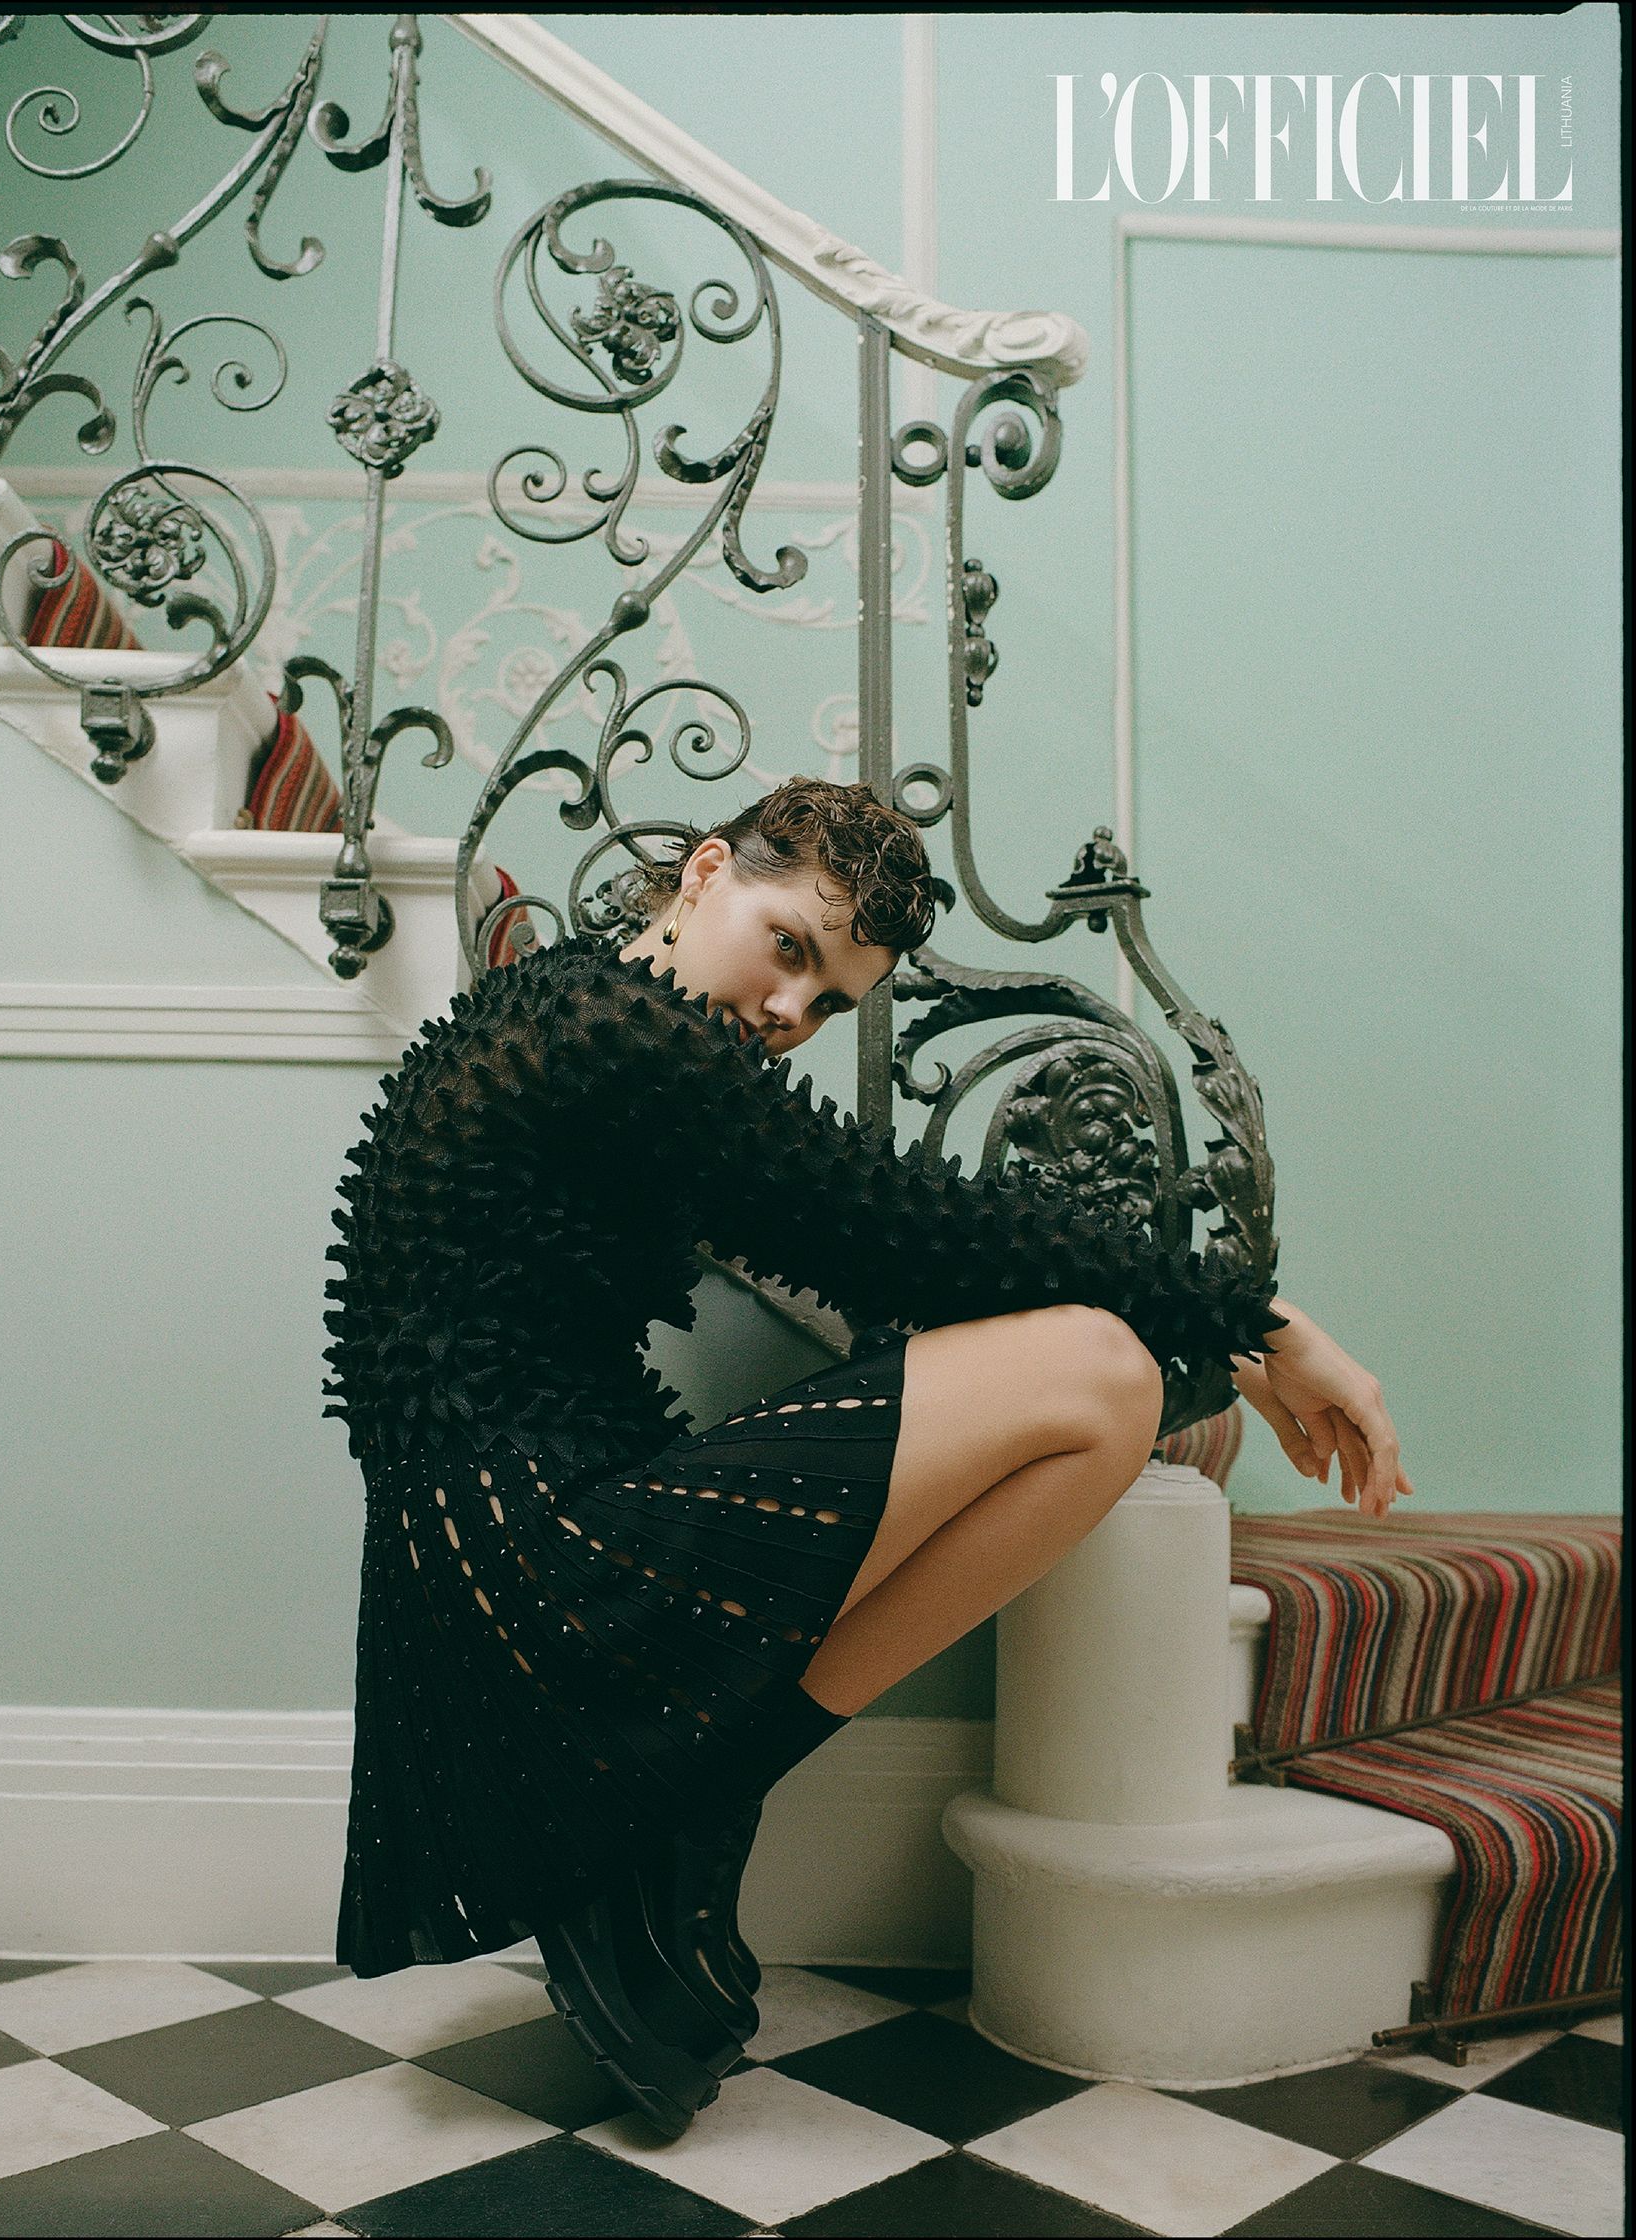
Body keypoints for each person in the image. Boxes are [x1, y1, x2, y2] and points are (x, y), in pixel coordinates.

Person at [321, 776, 1411, 2137]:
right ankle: (694, 1801)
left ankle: (689, 1808)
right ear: (707, 871)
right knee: (1105, 1376)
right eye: (791, 950)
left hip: (509, 1561)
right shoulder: (621, 1033)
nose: (793, 1014)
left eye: (832, 1002)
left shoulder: (575, 1012)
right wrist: (1261, 1320)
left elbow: (883, 1235)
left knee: (1106, 1387)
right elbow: (898, 1228)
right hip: (545, 1568)